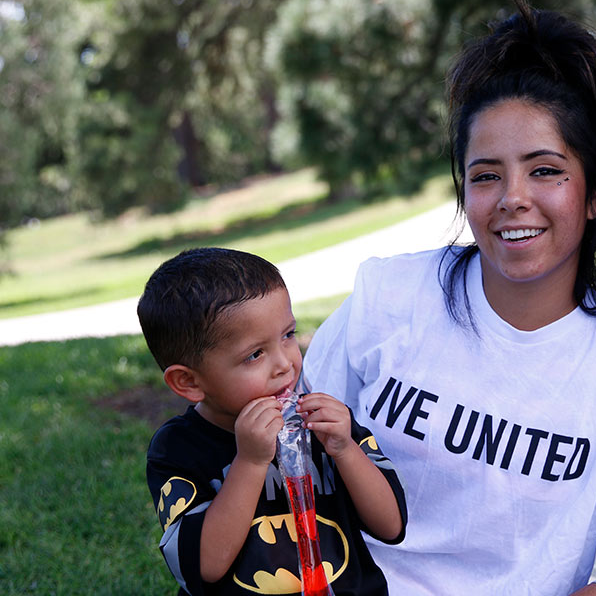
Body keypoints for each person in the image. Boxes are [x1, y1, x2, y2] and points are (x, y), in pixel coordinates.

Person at [302, 1, 596, 595]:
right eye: (486, 176)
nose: (512, 198)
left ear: (595, 193)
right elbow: (289, 454)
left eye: (545, 170)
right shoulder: (389, 296)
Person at [138, 247, 406, 596]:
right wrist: (249, 462)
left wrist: (345, 448)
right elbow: (204, 567)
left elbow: (391, 526)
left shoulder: (326, 424)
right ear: (190, 382)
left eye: (288, 335)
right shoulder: (178, 449)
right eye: (255, 354)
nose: (285, 364)